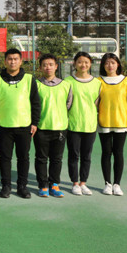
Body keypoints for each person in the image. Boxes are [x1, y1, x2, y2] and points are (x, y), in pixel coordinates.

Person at [0, 48, 41, 199]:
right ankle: (6, 186)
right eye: (10, 59)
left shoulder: (29, 79)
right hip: (4, 126)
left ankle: (22, 186)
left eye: (15, 59)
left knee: (23, 157)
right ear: (5, 61)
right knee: (5, 158)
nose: (12, 62)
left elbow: (35, 103)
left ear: (20, 61)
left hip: (24, 126)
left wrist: (34, 122)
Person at [34, 54, 72, 198]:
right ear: (40, 67)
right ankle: (43, 185)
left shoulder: (65, 85)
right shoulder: (36, 85)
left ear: (56, 66)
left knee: (57, 159)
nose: (48, 67)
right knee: (41, 158)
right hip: (41, 127)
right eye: (44, 65)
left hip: (60, 127)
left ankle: (54, 184)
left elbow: (68, 104)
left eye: (51, 64)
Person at [98, 53, 127, 196]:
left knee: (118, 152)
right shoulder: (98, 81)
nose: (110, 66)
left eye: (113, 62)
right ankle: (107, 183)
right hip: (104, 122)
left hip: (121, 122)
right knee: (106, 152)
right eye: (107, 63)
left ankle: (117, 184)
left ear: (118, 64)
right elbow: (95, 101)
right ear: (103, 65)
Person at [65, 51, 101, 196]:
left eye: (86, 62)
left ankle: (83, 183)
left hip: (90, 125)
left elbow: (97, 103)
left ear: (90, 64)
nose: (83, 65)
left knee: (87, 156)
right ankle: (75, 183)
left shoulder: (97, 83)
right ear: (74, 63)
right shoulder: (68, 82)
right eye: (80, 62)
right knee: (73, 155)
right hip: (73, 124)